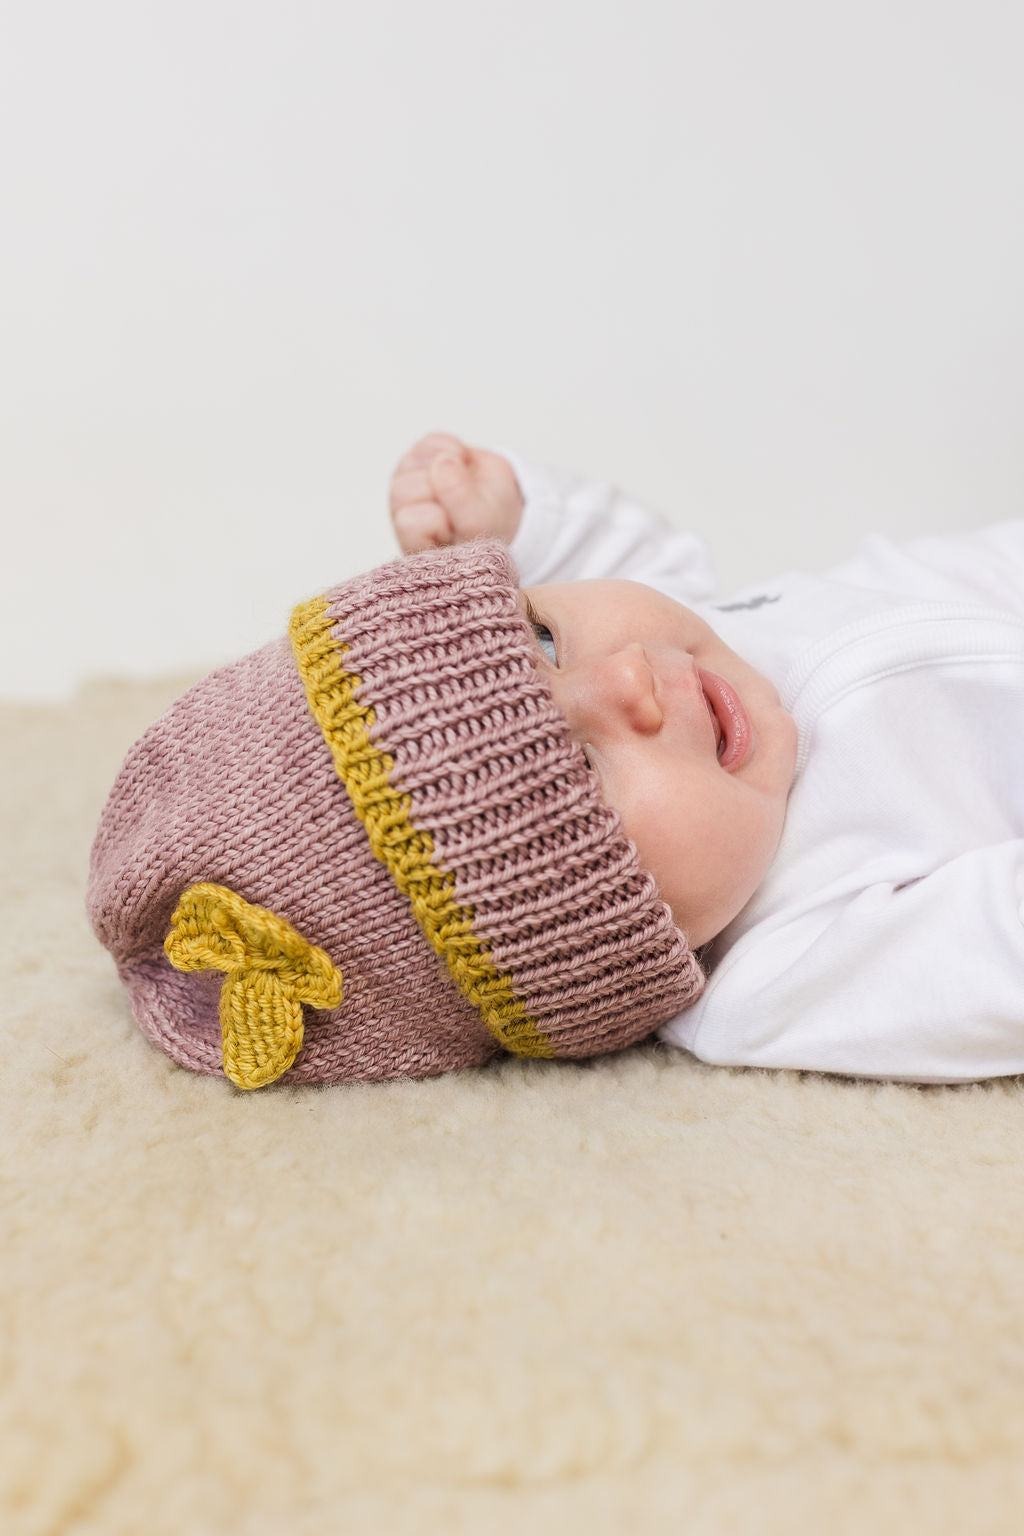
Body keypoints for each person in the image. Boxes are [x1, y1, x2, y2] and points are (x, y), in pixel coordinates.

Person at [388, 432, 1024, 1084]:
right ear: (601, 943)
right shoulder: (781, 970)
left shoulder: (694, 641)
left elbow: (630, 562)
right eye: (579, 773)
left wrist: (517, 520)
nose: (627, 678)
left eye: (545, 640)